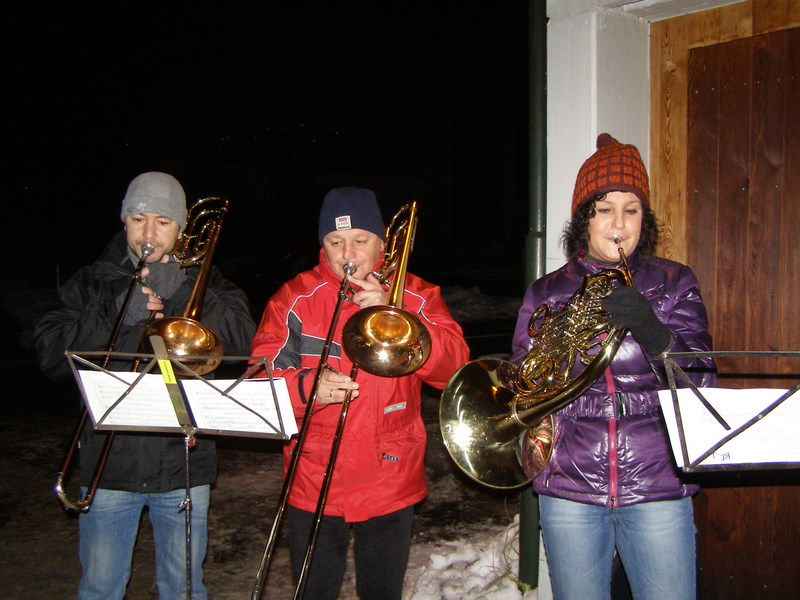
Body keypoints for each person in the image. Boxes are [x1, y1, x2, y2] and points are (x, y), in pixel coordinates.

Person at [34, 171, 257, 600]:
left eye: (163, 221)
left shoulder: (207, 280)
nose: (149, 233)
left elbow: (244, 340)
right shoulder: (92, 281)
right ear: (124, 222)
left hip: (184, 464)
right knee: (101, 587)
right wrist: (118, 312)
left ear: (181, 229)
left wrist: (184, 288)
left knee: (184, 588)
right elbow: (49, 354)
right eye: (138, 219)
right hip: (110, 464)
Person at [513, 134, 716, 600]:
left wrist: (652, 330)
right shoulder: (546, 291)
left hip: (658, 480)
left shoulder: (674, 281)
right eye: (604, 209)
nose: (619, 223)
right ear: (584, 218)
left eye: (632, 209)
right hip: (568, 483)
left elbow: (701, 379)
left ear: (645, 219)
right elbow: (524, 385)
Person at [249, 187, 469, 600]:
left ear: (382, 244)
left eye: (360, 240)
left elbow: (455, 370)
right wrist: (307, 388)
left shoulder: (416, 294)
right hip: (314, 475)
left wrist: (399, 315)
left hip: (390, 474)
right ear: (322, 245)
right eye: (335, 242)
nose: (347, 253)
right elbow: (257, 385)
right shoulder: (294, 298)